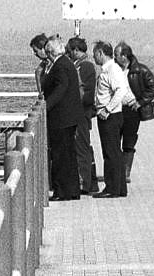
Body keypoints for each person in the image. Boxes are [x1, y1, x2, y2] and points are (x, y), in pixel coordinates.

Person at [41, 36, 83, 201]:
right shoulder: (66, 63)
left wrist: (46, 105)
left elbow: (60, 89)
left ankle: (62, 191)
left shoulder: (60, 66)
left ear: (50, 52)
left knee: (60, 156)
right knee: (69, 155)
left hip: (61, 118)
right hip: (68, 117)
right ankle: (72, 190)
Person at [114, 41, 154, 183]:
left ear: (124, 56)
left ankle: (126, 172)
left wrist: (140, 102)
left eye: (116, 55)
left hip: (132, 110)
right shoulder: (114, 69)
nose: (114, 58)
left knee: (129, 141)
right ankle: (116, 171)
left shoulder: (140, 70)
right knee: (114, 140)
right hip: (116, 109)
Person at [92, 41, 128, 198]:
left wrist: (107, 109)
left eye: (95, 54)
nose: (94, 57)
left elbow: (120, 90)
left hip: (110, 116)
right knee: (115, 152)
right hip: (112, 115)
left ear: (101, 53)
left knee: (110, 152)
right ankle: (119, 187)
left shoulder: (111, 70)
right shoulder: (112, 69)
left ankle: (112, 187)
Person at [67, 36, 100, 194]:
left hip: (80, 114)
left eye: (70, 51)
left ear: (75, 50)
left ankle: (84, 183)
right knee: (81, 147)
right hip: (80, 113)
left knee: (82, 148)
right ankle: (84, 181)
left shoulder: (85, 66)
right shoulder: (81, 65)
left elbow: (86, 94)